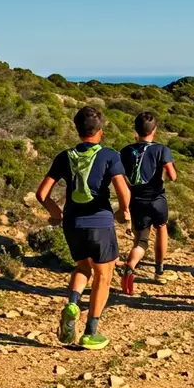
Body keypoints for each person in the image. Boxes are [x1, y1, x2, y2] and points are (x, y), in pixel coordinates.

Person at [36, 106, 130, 351]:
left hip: (72, 223)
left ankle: (73, 302)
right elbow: (124, 192)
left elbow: (42, 194)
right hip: (100, 223)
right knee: (103, 275)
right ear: (100, 130)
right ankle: (91, 332)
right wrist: (122, 212)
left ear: (77, 129)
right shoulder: (110, 155)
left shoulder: (64, 156)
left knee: (82, 267)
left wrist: (57, 214)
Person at [119, 111, 177, 294]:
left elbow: (119, 176)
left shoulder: (125, 151)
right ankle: (159, 271)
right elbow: (172, 176)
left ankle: (131, 264)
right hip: (157, 199)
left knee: (141, 240)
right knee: (161, 228)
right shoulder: (161, 149)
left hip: (137, 200)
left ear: (135, 130)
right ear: (155, 130)